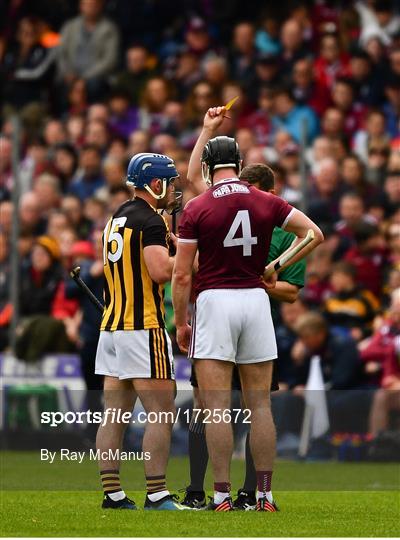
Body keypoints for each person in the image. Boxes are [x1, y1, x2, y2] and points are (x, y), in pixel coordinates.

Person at [172, 106, 323, 511]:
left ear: (208, 167)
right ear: (239, 165)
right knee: (260, 406)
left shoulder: (198, 207)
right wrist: (275, 266)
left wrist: (181, 321)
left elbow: (182, 276)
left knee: (216, 407)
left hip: (216, 301)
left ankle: (220, 495)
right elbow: (314, 233)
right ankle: (265, 495)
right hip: (256, 301)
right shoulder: (266, 200)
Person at [95, 152, 185, 511]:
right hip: (142, 326)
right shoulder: (150, 220)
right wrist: (189, 255)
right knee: (162, 410)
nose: (173, 189)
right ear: (156, 183)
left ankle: (113, 494)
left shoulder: (117, 216)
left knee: (114, 414)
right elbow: (161, 271)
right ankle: (158, 494)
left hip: (112, 326)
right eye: (170, 182)